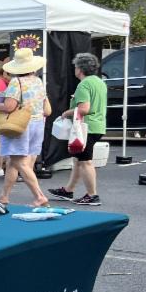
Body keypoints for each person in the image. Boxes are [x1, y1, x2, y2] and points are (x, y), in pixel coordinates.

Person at [0, 47, 50, 207]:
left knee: (19, 162)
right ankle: (3, 196)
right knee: (16, 161)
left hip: (20, 126)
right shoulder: (38, 81)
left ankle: (39, 196)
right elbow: (47, 110)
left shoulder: (16, 82)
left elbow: (9, 106)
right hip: (38, 124)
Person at [50, 53, 107, 206]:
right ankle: (68, 190)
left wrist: (66, 113)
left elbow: (84, 109)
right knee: (78, 160)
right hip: (98, 125)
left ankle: (92, 195)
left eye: (75, 66)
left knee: (85, 161)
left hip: (86, 127)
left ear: (80, 69)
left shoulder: (84, 84)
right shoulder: (99, 82)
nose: (74, 69)